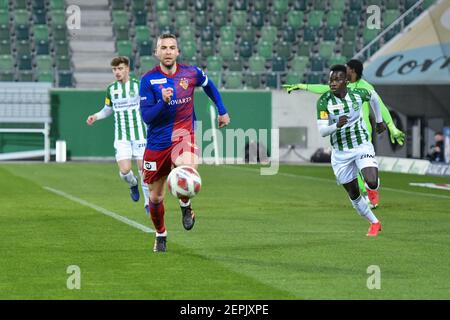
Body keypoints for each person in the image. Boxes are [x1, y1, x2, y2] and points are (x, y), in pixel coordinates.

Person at [139, 33, 230, 252]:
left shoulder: (191, 73)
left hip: (183, 134)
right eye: (164, 48)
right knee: (156, 196)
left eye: (172, 47)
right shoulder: (148, 80)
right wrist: (164, 100)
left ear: (178, 51)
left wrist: (222, 110)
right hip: (157, 142)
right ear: (157, 52)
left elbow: (209, 86)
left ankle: (185, 205)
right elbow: (147, 117)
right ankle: (161, 234)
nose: (168, 51)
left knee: (187, 171)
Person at [283, 59, 405, 209]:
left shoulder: (365, 87)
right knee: (352, 169)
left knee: (363, 168)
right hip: (342, 133)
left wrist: (390, 126)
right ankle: (367, 190)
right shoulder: (341, 86)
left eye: (346, 68)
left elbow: (378, 103)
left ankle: (370, 189)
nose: (343, 71)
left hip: (361, 132)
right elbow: (324, 88)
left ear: (352, 71)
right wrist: (303, 86)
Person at [315, 64, 386, 236]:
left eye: (337, 79)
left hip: (361, 145)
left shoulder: (358, 95)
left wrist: (379, 120)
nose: (333, 83)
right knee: (354, 193)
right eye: (331, 80)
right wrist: (336, 125)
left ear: (346, 81)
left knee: (372, 182)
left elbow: (374, 97)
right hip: (340, 154)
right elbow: (323, 131)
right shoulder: (324, 102)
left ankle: (371, 188)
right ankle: (374, 223)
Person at [86, 56, 150, 214]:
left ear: (127, 68)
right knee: (125, 171)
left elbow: (148, 105)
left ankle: (148, 204)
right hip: (122, 137)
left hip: (140, 135)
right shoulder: (111, 89)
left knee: (145, 170)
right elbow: (108, 109)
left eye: (120, 68)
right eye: (114, 69)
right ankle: (133, 183)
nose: (117, 72)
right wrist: (96, 116)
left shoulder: (139, 85)